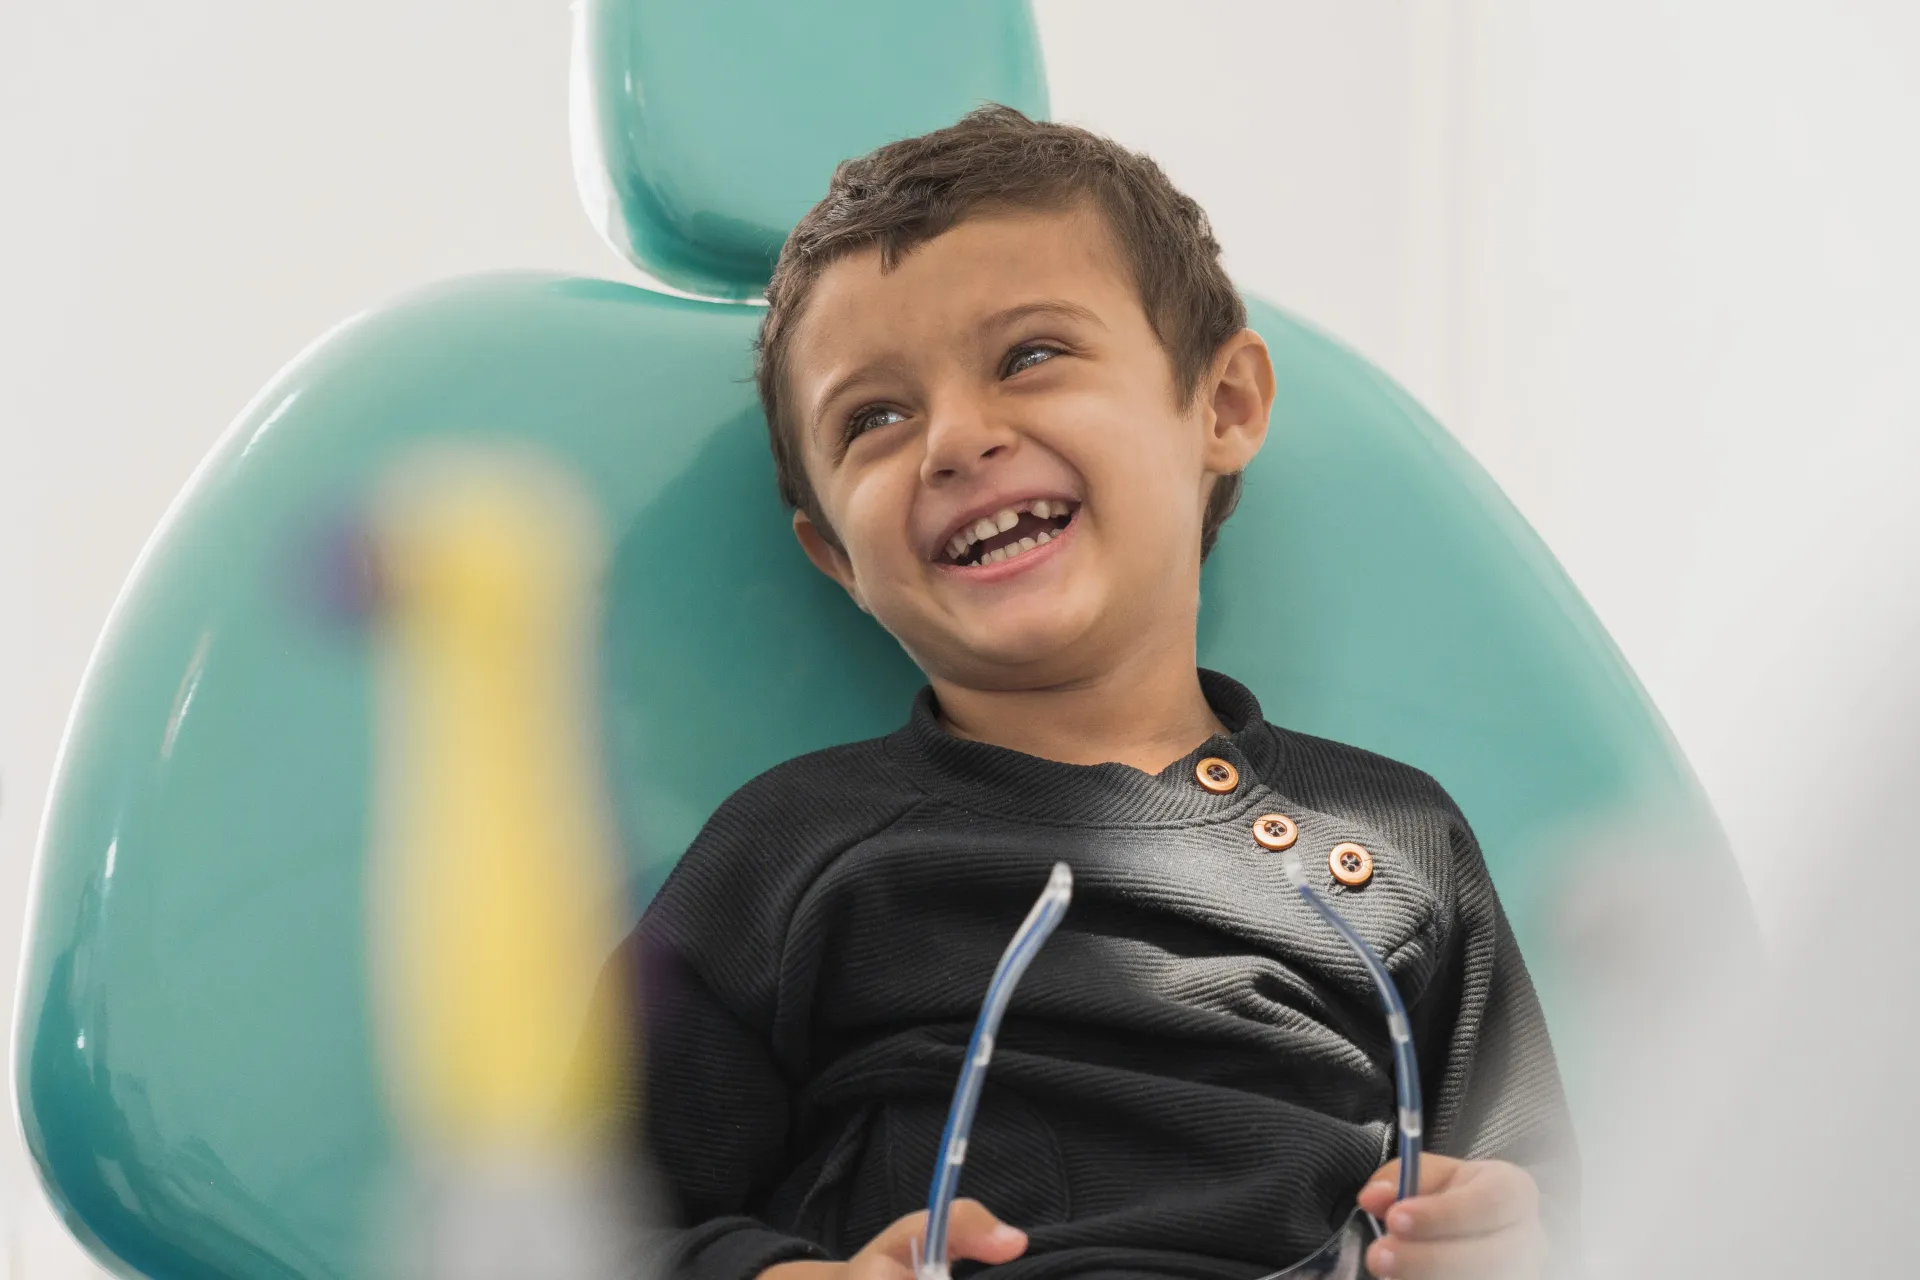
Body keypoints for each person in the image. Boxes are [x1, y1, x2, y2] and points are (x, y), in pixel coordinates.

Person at [601, 106, 1577, 1280]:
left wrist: (1509, 1243)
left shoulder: (1397, 839)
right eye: (875, 418)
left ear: (1222, 407)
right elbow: (569, 1215)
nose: (957, 439)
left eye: (1029, 355)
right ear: (834, 555)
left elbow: (1566, 1208)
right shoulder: (793, 849)